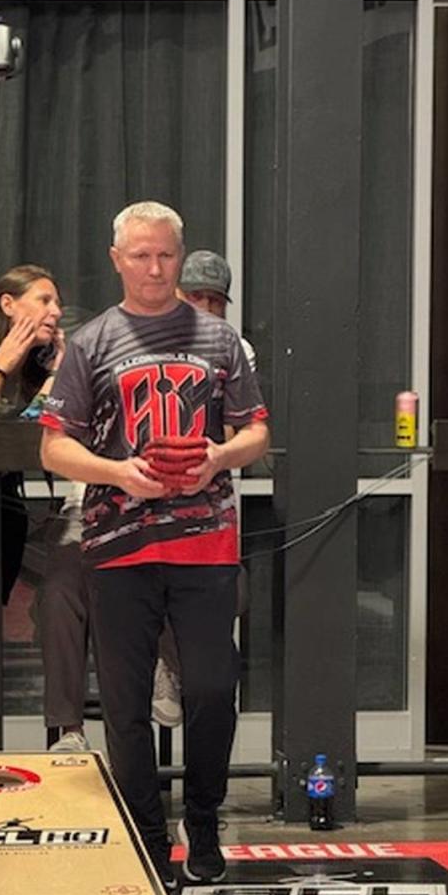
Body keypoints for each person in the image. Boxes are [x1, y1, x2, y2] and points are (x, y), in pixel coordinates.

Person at [40, 201, 269, 892]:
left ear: (180, 254)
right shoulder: (91, 344)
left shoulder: (219, 340)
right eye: (140, 255)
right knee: (124, 700)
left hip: (206, 540)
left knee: (210, 687)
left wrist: (216, 459)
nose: (154, 267)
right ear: (117, 261)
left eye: (165, 254)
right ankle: (147, 833)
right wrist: (117, 472)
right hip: (120, 544)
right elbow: (54, 447)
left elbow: (257, 433)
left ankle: (203, 818)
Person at [0, 266, 91, 752]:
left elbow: (37, 430)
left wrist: (57, 377)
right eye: (44, 300)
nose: (56, 311)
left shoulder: (42, 364)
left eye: (57, 302)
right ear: (9, 305)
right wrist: (3, 363)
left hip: (4, 507)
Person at [152, 248, 258, 727]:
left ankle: (176, 670)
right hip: (145, 505)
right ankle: (165, 665)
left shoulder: (235, 349)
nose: (206, 308)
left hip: (208, 507)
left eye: (216, 301)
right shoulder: (141, 338)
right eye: (196, 296)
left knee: (230, 597)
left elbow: (240, 433)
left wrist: (214, 454)